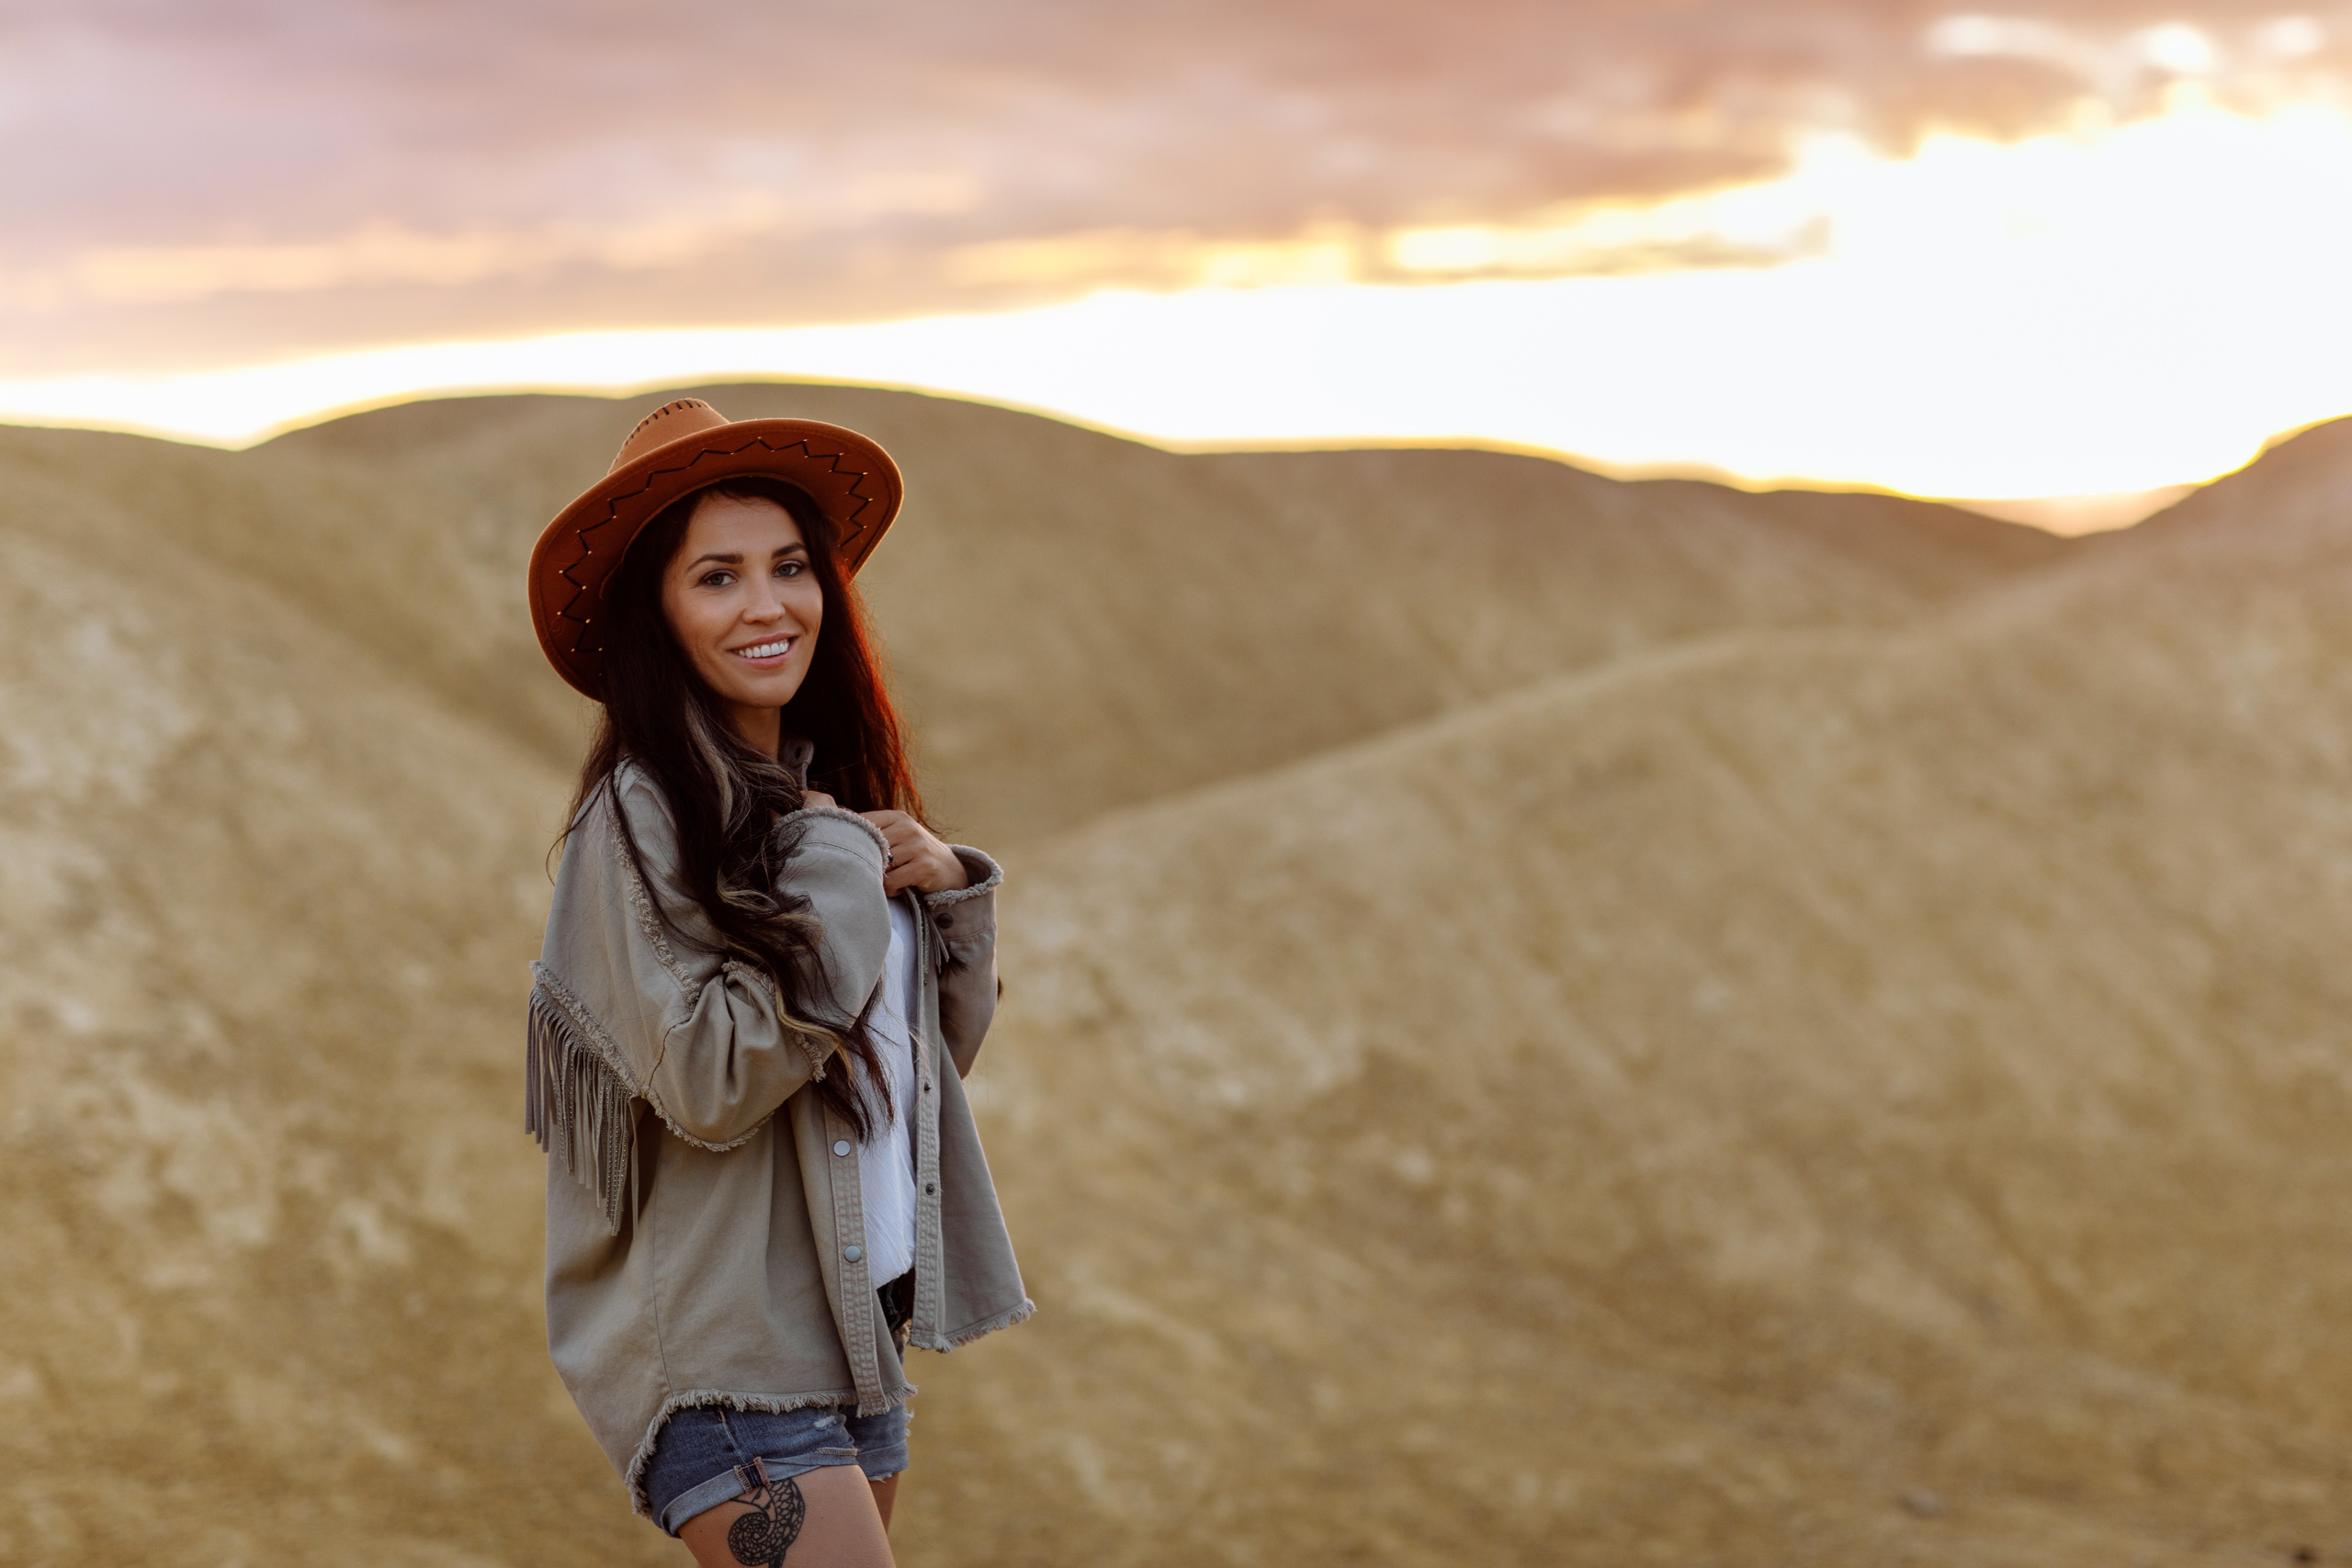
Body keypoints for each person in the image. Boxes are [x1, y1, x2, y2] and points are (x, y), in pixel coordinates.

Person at [523, 399, 1031, 1566]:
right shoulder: (643, 813)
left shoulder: (810, 805)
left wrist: (947, 892)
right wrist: (845, 870)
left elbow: (915, 1070)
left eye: (790, 566)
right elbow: (708, 1080)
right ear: (658, 611)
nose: (768, 604)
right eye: (717, 577)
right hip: (727, 1357)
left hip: (850, 1330)